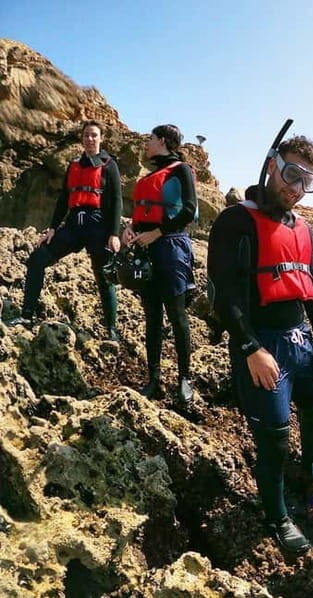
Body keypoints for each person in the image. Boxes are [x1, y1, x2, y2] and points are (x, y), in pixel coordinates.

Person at [207, 135, 313, 553]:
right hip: (261, 344)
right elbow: (225, 296)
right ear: (271, 164)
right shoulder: (235, 221)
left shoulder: (303, 228)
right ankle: (277, 516)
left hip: (300, 338)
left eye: (307, 181)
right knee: (274, 438)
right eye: (291, 173)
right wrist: (249, 349)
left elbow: (312, 287)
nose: (296, 187)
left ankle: (309, 464)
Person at [5, 120, 121, 338]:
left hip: (97, 225)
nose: (90, 139)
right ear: (82, 138)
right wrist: (51, 228)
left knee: (103, 275)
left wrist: (114, 234)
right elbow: (63, 199)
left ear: (101, 138)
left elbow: (116, 200)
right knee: (38, 258)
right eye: (86, 135)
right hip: (73, 224)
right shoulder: (74, 164)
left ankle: (111, 329)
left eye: (94, 135)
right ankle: (27, 315)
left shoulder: (109, 164)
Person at [122, 124, 197, 404]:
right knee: (151, 316)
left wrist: (156, 233)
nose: (147, 143)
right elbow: (142, 212)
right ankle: (153, 378)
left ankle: (184, 379)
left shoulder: (181, 170)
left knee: (177, 316)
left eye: (151, 139)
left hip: (171, 247)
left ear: (163, 141)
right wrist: (130, 228)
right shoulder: (150, 175)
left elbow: (188, 210)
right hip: (146, 249)